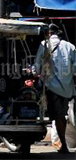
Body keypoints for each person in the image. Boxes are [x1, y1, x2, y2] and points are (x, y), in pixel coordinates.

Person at [34, 23, 76, 154]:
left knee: (56, 116)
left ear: (48, 34)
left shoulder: (44, 45)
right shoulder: (70, 46)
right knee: (61, 115)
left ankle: (63, 144)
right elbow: (75, 68)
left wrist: (37, 74)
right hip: (67, 88)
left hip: (50, 88)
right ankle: (61, 143)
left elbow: (37, 66)